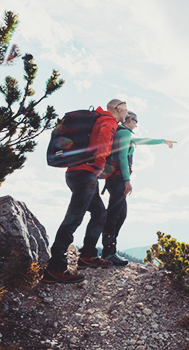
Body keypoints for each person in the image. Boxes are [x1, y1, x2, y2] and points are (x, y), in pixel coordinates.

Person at [42, 99, 129, 283]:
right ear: (119, 108)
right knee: (73, 219)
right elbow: (102, 145)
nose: (127, 115)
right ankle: (55, 267)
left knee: (99, 212)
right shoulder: (108, 122)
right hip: (86, 175)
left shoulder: (98, 119)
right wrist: (99, 168)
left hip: (77, 173)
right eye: (126, 110)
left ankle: (87, 256)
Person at [101, 111, 175, 266]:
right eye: (135, 121)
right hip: (119, 179)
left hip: (113, 179)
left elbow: (144, 140)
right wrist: (127, 180)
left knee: (120, 214)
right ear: (128, 119)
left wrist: (163, 141)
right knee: (114, 216)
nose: (137, 124)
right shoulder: (124, 134)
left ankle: (110, 249)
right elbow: (122, 157)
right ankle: (108, 253)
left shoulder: (122, 134)